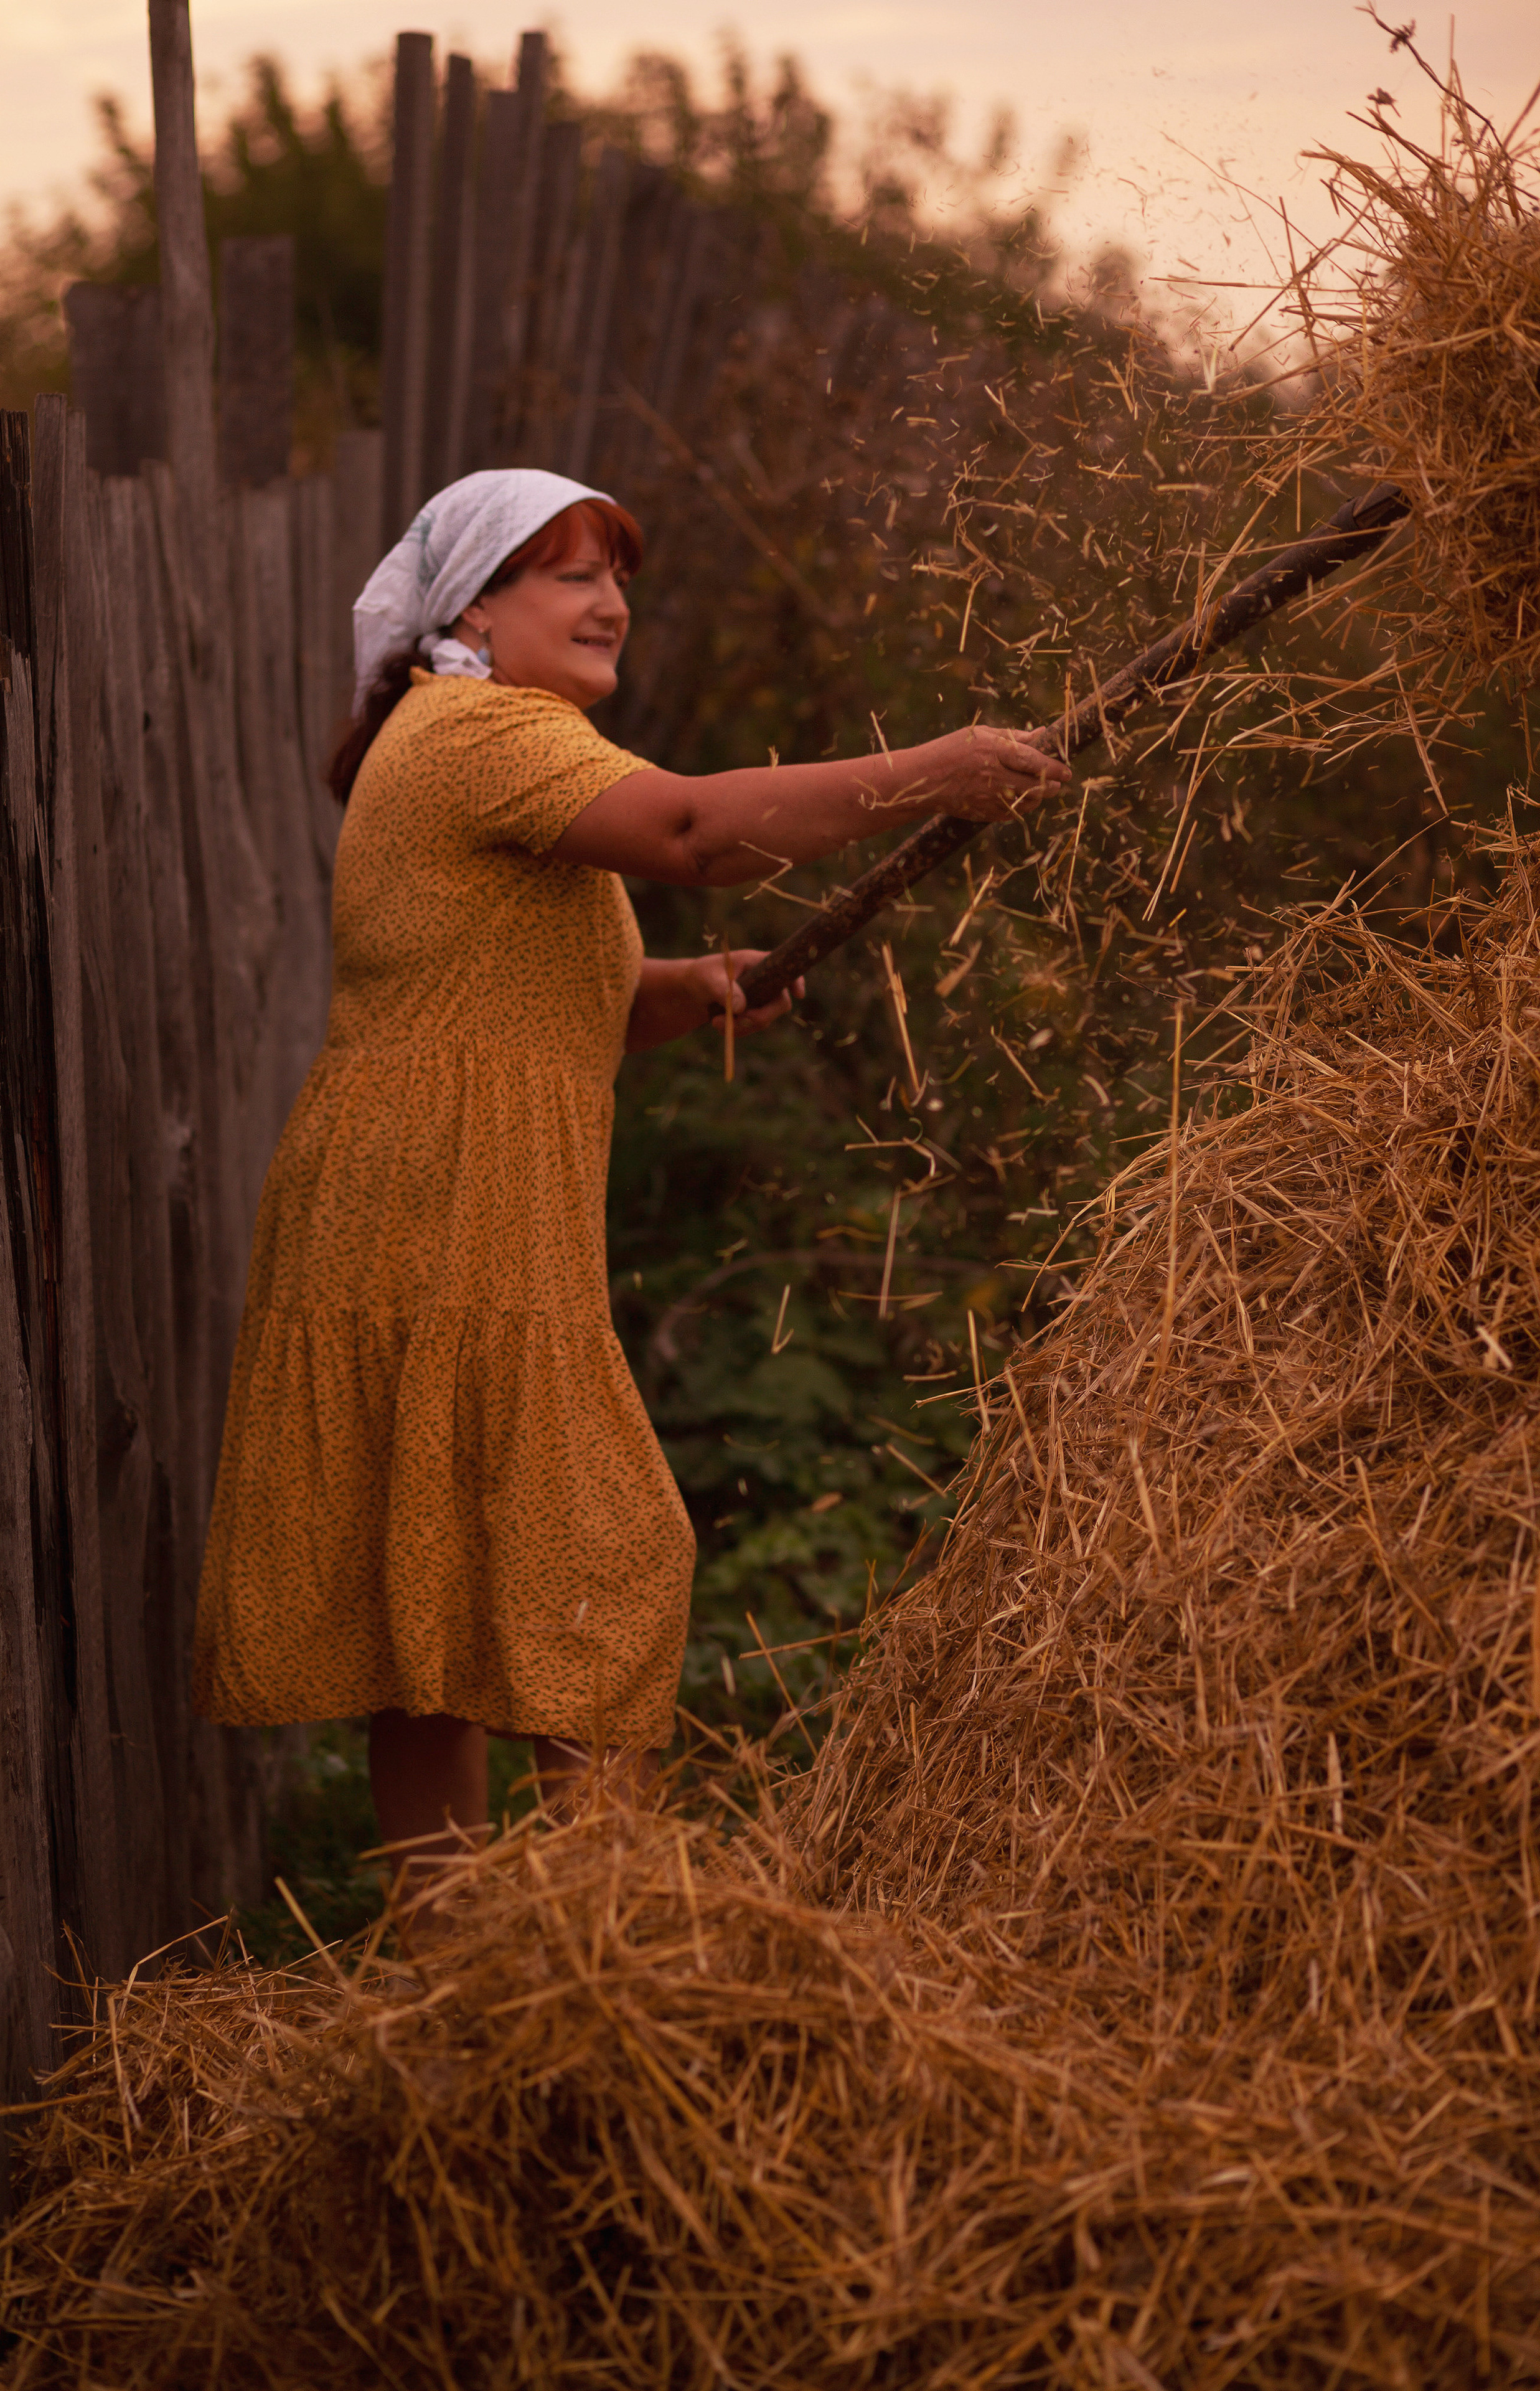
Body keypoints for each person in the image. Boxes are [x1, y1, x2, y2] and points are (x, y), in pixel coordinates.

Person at [192, 466, 1068, 1880]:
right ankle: (610, 1942)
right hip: (440, 1204)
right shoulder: (481, 731)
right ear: (473, 608)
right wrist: (927, 773)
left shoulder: (477, 739)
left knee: (435, 1597)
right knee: (601, 1550)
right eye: (571, 574)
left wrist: (678, 989)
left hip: (426, 1191)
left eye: (616, 578)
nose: (609, 604)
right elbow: (692, 834)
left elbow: (513, 989)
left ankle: (467, 1961)